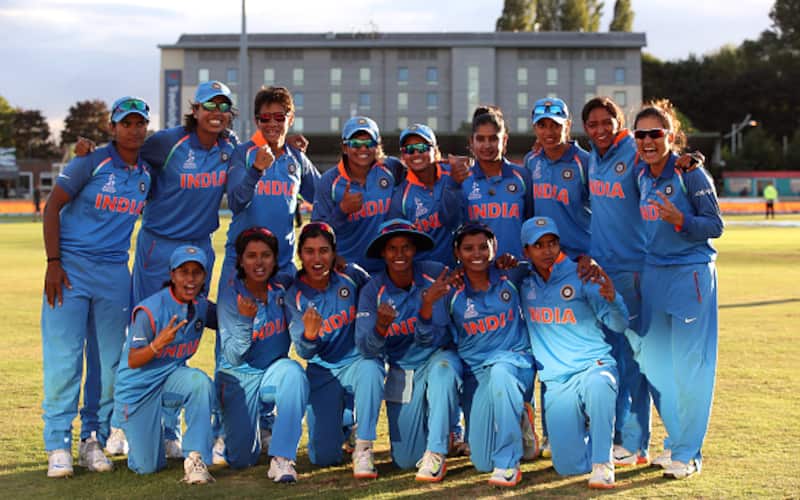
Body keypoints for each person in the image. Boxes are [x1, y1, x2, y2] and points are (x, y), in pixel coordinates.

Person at [40, 97, 151, 478]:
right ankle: (58, 444)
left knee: (108, 364)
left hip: (114, 274)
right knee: (64, 360)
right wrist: (53, 263)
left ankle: (94, 439)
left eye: (140, 124)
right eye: (126, 123)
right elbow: (51, 207)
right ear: (113, 127)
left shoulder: (146, 173)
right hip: (69, 270)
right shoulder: (89, 160)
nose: (134, 130)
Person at [634, 99, 724, 479]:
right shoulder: (642, 175)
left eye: (656, 133)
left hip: (690, 276)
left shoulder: (691, 173)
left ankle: (689, 453)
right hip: (654, 275)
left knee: (691, 367)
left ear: (671, 137)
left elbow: (715, 225)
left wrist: (681, 219)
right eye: (641, 134)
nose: (648, 140)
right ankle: (674, 443)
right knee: (660, 366)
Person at [520, 216, 629, 489]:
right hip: (557, 381)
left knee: (600, 383)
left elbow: (619, 324)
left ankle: (604, 463)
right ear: (526, 251)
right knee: (567, 466)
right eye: (539, 245)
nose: (547, 251)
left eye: (552, 243)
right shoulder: (523, 282)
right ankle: (590, 435)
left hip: (593, 365)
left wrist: (613, 299)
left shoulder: (583, 274)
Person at [426, 222, 536, 487]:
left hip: (514, 362)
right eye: (468, 248)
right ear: (457, 253)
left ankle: (509, 463)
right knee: (482, 462)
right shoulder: (451, 290)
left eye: (483, 247)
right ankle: (519, 415)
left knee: (501, 371)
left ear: (494, 247)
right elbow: (438, 336)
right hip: (479, 373)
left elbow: (545, 267)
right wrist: (429, 303)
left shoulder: (511, 274)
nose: (476, 254)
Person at [355, 219, 462, 481]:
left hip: (437, 358)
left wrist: (426, 310)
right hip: (403, 369)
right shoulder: (373, 290)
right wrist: (380, 327)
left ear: (415, 249)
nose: (400, 255)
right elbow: (366, 348)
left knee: (443, 371)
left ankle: (437, 451)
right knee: (405, 460)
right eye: (392, 248)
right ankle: (440, 430)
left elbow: (433, 338)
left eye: (406, 247)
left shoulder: (435, 274)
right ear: (383, 252)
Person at [581, 96, 651, 465]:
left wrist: (690, 161)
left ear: (618, 123)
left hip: (634, 271)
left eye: (606, 122)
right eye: (592, 124)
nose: (599, 129)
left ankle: (637, 443)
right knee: (609, 359)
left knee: (634, 361)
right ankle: (617, 436)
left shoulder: (634, 151)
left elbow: (664, 162)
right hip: (601, 272)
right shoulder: (592, 156)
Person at [113, 245, 216, 483]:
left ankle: (196, 459)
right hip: (138, 391)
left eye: (196, 273)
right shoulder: (150, 309)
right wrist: (156, 345)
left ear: (204, 277)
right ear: (172, 275)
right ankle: (124, 425)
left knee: (199, 382)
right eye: (183, 272)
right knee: (148, 467)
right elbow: (132, 359)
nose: (190, 279)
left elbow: (228, 318)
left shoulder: (200, 306)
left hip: (171, 381)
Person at [286, 222, 384, 470]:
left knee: (372, 368)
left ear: (334, 252)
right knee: (324, 458)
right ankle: (346, 419)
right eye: (310, 251)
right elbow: (305, 352)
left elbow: (375, 295)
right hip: (323, 371)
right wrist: (309, 336)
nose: (317, 259)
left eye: (324, 251)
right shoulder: (294, 295)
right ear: (300, 255)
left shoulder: (351, 275)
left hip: (356, 362)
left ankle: (364, 447)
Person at [216, 227, 309, 482]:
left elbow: (314, 273)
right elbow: (233, 356)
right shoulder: (230, 295)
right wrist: (246, 322)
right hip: (239, 377)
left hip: (272, 373)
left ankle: (281, 459)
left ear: (275, 258)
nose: (259, 262)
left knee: (294, 373)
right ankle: (237, 428)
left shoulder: (284, 286)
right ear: (241, 261)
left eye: (266, 255)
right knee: (242, 460)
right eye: (251, 256)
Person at [222, 86, 320, 283]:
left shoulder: (297, 158)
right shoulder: (243, 154)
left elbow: (323, 198)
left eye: (279, 117)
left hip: (282, 267)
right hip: (240, 267)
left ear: (290, 119)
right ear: (257, 121)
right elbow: (235, 203)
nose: (272, 124)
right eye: (265, 118)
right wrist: (256, 170)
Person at [312, 116, 404, 273]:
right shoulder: (329, 181)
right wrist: (342, 211)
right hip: (347, 270)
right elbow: (316, 234)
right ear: (345, 147)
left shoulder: (391, 168)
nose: (363, 149)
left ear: (377, 145)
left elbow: (421, 174)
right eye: (355, 144)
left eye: (369, 143)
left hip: (387, 270)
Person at [388, 124, 470, 265]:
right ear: (403, 156)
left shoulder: (454, 172)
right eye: (409, 150)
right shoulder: (400, 197)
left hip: (463, 270)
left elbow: (453, 223)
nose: (416, 154)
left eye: (422, 148)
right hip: (424, 275)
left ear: (435, 150)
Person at [462, 106, 533, 259]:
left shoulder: (522, 177)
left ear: (504, 140)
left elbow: (532, 225)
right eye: (480, 139)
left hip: (517, 269)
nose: (487, 145)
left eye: (493, 138)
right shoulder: (463, 180)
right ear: (471, 142)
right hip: (478, 272)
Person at [524, 97, 591, 259]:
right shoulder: (531, 161)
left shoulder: (585, 162)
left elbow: (602, 213)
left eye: (556, 125)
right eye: (542, 126)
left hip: (579, 257)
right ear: (534, 128)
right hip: (544, 257)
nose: (548, 132)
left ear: (567, 125)